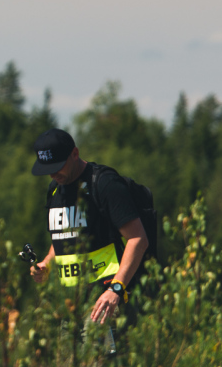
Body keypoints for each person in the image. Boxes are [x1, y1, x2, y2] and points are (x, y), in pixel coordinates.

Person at [29, 128, 148, 326]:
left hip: (107, 302)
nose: (52, 175)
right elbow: (63, 236)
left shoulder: (104, 183)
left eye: (58, 166)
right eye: (47, 169)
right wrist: (46, 264)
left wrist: (116, 289)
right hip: (70, 304)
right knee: (71, 358)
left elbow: (138, 239)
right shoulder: (55, 190)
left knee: (105, 358)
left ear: (75, 154)